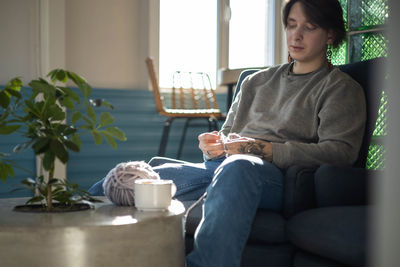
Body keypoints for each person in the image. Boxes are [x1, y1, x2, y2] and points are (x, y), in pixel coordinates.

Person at [88, 0, 366, 266]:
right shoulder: (256, 82)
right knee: (144, 173)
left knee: (239, 165)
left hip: (277, 177)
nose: (297, 34)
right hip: (222, 168)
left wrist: (265, 149)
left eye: (310, 26)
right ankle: (78, 238)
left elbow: (340, 152)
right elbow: (228, 133)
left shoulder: (340, 88)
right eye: (291, 24)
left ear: (330, 34)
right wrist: (213, 146)